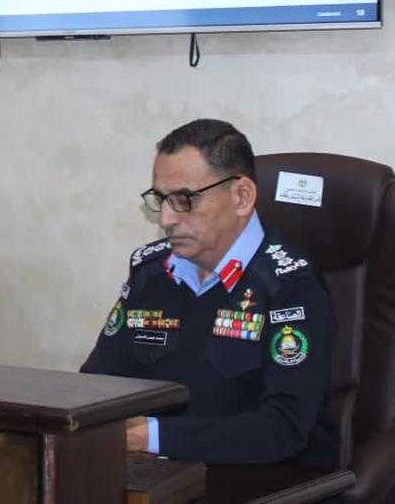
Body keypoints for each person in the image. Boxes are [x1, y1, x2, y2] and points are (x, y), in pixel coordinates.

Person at [81, 119, 337, 465]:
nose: (166, 219)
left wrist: (153, 437)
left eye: (184, 200)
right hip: (155, 474)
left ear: (241, 197)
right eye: (161, 199)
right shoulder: (150, 272)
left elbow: (284, 428)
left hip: (258, 479)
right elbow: (96, 385)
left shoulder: (291, 284)